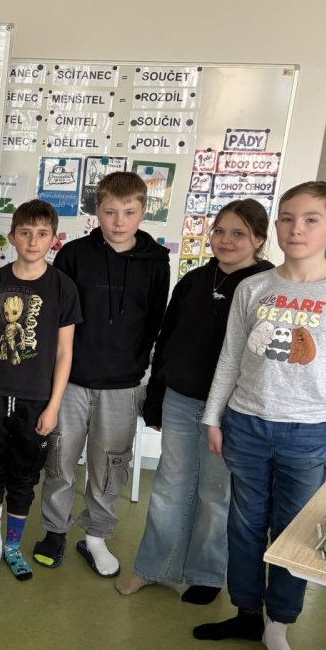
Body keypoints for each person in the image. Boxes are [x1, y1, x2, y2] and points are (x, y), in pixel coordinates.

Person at [196, 181, 326, 650]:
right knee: (244, 524)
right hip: (247, 423)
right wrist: (213, 416)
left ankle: (280, 625)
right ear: (276, 226)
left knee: (293, 532)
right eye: (288, 218)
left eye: (311, 220)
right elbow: (231, 356)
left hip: (309, 432)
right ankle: (247, 612)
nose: (297, 229)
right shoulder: (254, 287)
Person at [118, 199, 273, 604]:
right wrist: (156, 395)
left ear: (258, 239)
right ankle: (153, 567)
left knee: (216, 493)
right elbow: (167, 338)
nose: (225, 240)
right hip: (181, 399)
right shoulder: (194, 280)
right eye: (219, 231)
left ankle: (206, 574)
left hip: (232, 410)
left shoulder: (267, 286)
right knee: (170, 486)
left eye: (238, 233)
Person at [32, 171, 169, 576]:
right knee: (60, 459)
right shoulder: (74, 255)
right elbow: (57, 320)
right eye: (110, 212)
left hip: (123, 384)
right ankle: (54, 530)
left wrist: (137, 367)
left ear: (143, 211)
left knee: (110, 464)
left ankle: (96, 536)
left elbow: (155, 321)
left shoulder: (156, 263)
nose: (119, 221)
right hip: (71, 380)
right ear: (97, 211)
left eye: (129, 212)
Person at [0, 200, 79, 580]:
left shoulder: (63, 287)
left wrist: (54, 406)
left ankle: (13, 545)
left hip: (36, 399)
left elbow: (65, 352)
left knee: (24, 474)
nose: (33, 241)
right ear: (13, 236)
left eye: (42, 234)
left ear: (53, 239)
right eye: (26, 233)